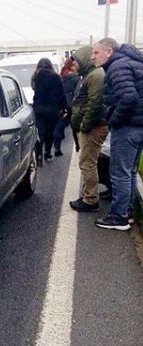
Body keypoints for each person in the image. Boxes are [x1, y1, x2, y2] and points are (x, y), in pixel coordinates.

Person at [92, 38, 143, 230]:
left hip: (127, 127)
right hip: (138, 126)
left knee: (119, 173)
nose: (93, 57)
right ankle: (127, 212)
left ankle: (119, 217)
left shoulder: (117, 67)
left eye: (96, 53)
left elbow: (128, 97)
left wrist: (114, 119)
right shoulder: (133, 62)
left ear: (109, 52)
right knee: (129, 172)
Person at [69, 46, 109, 213]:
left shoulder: (95, 76)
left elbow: (94, 103)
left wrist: (85, 125)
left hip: (94, 126)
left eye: (76, 61)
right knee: (90, 161)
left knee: (87, 163)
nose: (74, 65)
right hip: (92, 125)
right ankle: (88, 194)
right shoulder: (89, 75)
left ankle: (91, 200)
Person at [31, 58, 67, 164]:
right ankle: (47, 153)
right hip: (53, 108)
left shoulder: (35, 76)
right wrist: (64, 108)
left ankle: (39, 155)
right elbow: (61, 94)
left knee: (40, 131)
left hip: (39, 107)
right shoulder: (56, 77)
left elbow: (34, 89)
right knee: (50, 132)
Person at [54, 58, 80, 156]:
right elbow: (78, 92)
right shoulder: (76, 78)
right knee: (75, 125)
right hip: (73, 104)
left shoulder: (61, 76)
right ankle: (78, 145)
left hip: (62, 103)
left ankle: (57, 146)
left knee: (60, 124)